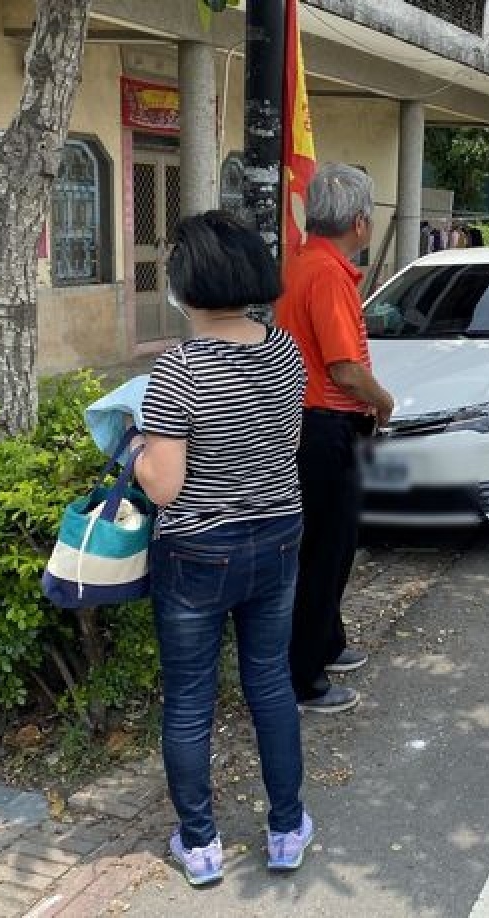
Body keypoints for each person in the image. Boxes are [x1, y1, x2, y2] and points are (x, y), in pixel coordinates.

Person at [130, 211, 313, 885]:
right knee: (269, 683)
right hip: (278, 538)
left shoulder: (176, 369)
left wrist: (136, 447)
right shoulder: (283, 348)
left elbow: (165, 486)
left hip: (198, 552)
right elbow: (283, 447)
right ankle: (287, 830)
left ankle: (200, 846)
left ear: (186, 285)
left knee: (188, 701)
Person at [275, 163, 395, 714]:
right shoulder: (326, 274)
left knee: (327, 544)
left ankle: (328, 642)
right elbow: (345, 368)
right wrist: (384, 401)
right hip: (322, 427)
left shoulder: (304, 263)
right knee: (326, 550)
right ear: (359, 222)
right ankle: (305, 677)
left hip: (304, 423)